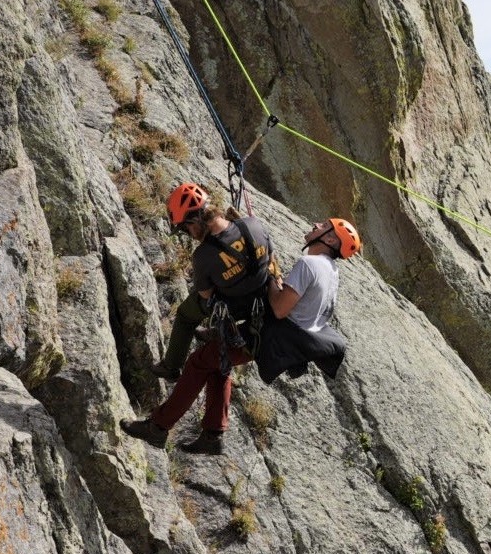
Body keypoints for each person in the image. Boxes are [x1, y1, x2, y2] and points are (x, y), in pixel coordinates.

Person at [122, 183, 280, 454]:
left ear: (196, 220)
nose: (188, 234)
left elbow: (206, 296)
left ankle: (158, 428)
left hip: (246, 327)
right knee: (218, 363)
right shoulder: (253, 225)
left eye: (186, 228)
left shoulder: (204, 255)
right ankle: (213, 435)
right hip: (263, 317)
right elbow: (272, 265)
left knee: (198, 362)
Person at [260, 217, 357, 380]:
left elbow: (279, 310)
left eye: (323, 226)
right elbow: (305, 304)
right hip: (297, 341)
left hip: (278, 337)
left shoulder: (309, 264)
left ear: (330, 239)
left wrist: (270, 277)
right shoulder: (332, 270)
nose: (316, 225)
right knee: (216, 367)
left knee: (205, 360)